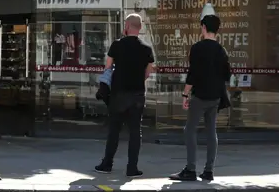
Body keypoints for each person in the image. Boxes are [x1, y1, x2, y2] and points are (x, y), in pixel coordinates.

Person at [169, 14, 231, 182]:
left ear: (203, 27)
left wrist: (185, 94)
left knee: (190, 130)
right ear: (217, 30)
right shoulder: (221, 50)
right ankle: (208, 170)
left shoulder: (197, 48)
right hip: (215, 96)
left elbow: (193, 74)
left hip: (200, 96)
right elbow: (227, 75)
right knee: (211, 131)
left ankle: (190, 169)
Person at [94, 14, 154, 177]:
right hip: (138, 94)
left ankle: (107, 164)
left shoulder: (117, 45)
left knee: (114, 130)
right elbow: (149, 71)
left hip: (119, 94)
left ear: (127, 26)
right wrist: (138, 78)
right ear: (140, 28)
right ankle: (132, 168)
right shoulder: (146, 48)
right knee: (135, 131)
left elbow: (107, 67)